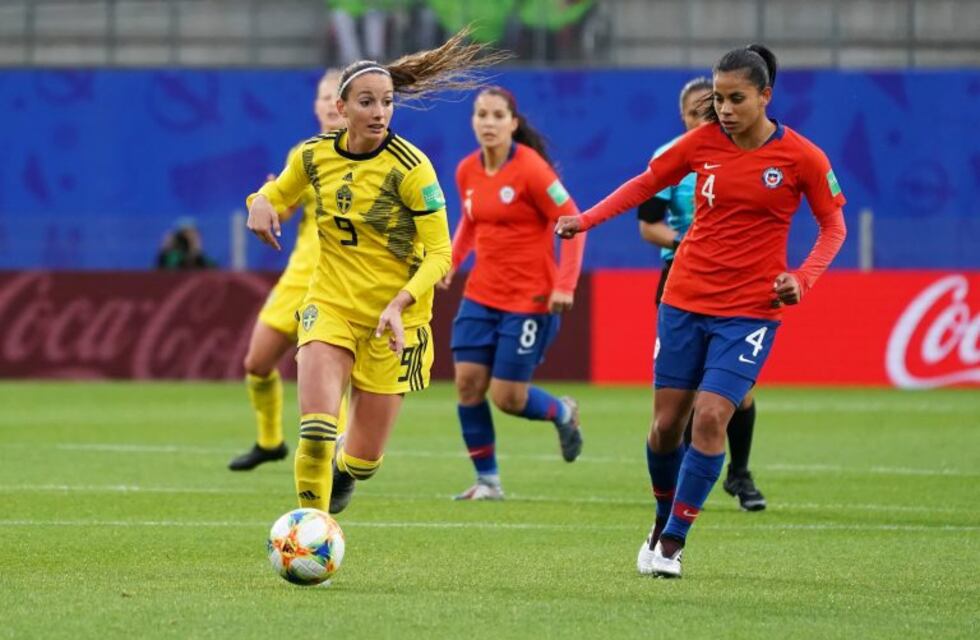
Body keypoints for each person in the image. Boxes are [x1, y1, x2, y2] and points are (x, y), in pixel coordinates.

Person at [555, 44, 846, 578]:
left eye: (737, 98)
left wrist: (802, 278)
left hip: (751, 310)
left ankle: (672, 543)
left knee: (711, 417)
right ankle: (662, 515)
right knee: (667, 426)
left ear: (765, 96)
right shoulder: (701, 144)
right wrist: (586, 220)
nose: (726, 109)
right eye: (719, 98)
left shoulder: (803, 157)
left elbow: (834, 227)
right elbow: (647, 183)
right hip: (684, 299)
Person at [246, 29, 509, 516]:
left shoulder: (412, 169)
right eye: (367, 102)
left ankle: (349, 472)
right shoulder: (313, 156)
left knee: (363, 460)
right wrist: (260, 203)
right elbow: (277, 194)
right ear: (342, 109)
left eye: (387, 102)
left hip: (396, 325)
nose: (380, 112)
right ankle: (311, 528)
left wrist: (397, 304)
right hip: (330, 306)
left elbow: (440, 256)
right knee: (318, 429)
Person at [440, 86, 586, 501]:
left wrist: (565, 284)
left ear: (513, 123)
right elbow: (470, 223)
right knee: (467, 384)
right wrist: (449, 264)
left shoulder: (533, 170)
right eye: (481, 114)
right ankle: (488, 481)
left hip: (529, 300)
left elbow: (572, 223)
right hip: (481, 295)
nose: (488, 122)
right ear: (473, 121)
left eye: (497, 115)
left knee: (508, 398)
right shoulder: (467, 170)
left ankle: (563, 411)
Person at [637, 76, 766, 512]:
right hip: (679, 281)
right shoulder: (669, 159)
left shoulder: (745, 154)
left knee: (735, 394)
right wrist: (684, 243)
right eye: (697, 111)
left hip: (735, 285)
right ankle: (687, 482)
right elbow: (648, 224)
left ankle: (740, 473)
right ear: (683, 116)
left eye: (711, 108)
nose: (706, 117)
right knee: (683, 397)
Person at [228, 69, 348, 472]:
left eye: (337, 95)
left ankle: (337, 461)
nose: (329, 102)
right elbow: (286, 208)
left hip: (343, 280)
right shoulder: (305, 152)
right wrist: (268, 205)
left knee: (333, 374)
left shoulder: (368, 154)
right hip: (299, 276)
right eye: (323, 95)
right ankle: (269, 442)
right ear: (316, 105)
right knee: (256, 363)